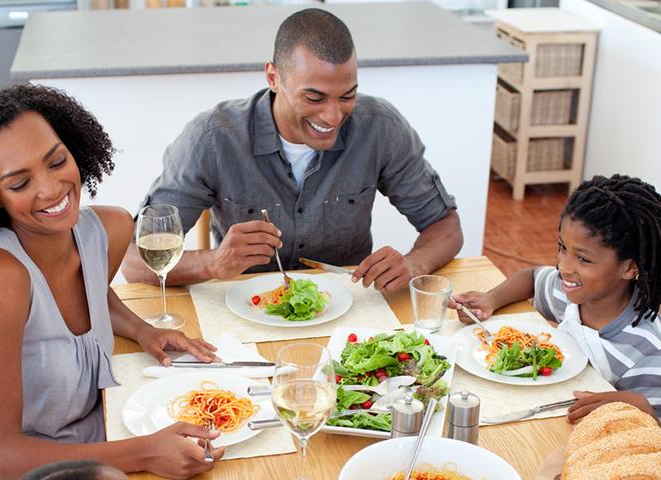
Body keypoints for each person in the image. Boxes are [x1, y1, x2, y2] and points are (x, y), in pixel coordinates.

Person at [0, 85, 225, 480]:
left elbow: (91, 294)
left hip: (101, 431)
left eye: (57, 162)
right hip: (33, 470)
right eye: (20, 183)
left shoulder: (108, 230)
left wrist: (142, 330)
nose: (51, 189)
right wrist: (144, 452)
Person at [122, 8, 462, 292]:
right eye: (314, 97)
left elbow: (445, 226)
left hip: (349, 317)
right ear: (273, 77)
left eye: (347, 96)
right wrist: (212, 262)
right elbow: (133, 259)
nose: (332, 116)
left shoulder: (381, 127)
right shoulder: (211, 138)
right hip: (241, 317)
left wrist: (414, 263)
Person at [452, 175, 661, 422]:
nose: (563, 266)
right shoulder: (565, 293)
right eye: (562, 247)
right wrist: (491, 299)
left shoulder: (648, 349)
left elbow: (654, 422)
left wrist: (637, 404)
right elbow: (531, 278)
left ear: (629, 268)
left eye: (583, 259)